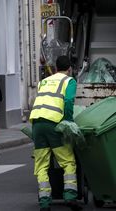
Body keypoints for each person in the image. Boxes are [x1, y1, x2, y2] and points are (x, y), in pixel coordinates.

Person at [29, 56, 81, 211]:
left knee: (41, 166)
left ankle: (44, 202)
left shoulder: (44, 81)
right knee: (68, 161)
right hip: (53, 124)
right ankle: (70, 196)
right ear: (70, 69)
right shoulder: (69, 81)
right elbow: (68, 102)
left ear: (56, 67)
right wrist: (68, 121)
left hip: (37, 124)